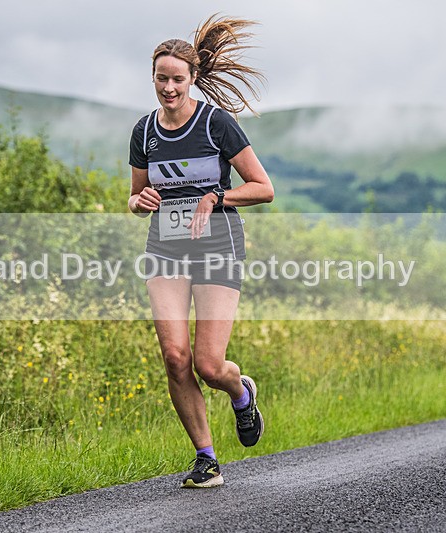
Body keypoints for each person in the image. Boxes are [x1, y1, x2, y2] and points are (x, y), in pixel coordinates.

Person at [127, 14, 274, 488]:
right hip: (166, 246)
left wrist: (217, 196)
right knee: (174, 356)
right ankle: (206, 458)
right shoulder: (144, 131)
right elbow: (136, 196)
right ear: (152, 77)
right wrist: (138, 201)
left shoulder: (217, 124)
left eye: (177, 79)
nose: (169, 88)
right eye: (161, 78)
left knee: (210, 365)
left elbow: (263, 187)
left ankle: (241, 392)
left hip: (217, 242)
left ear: (192, 79)